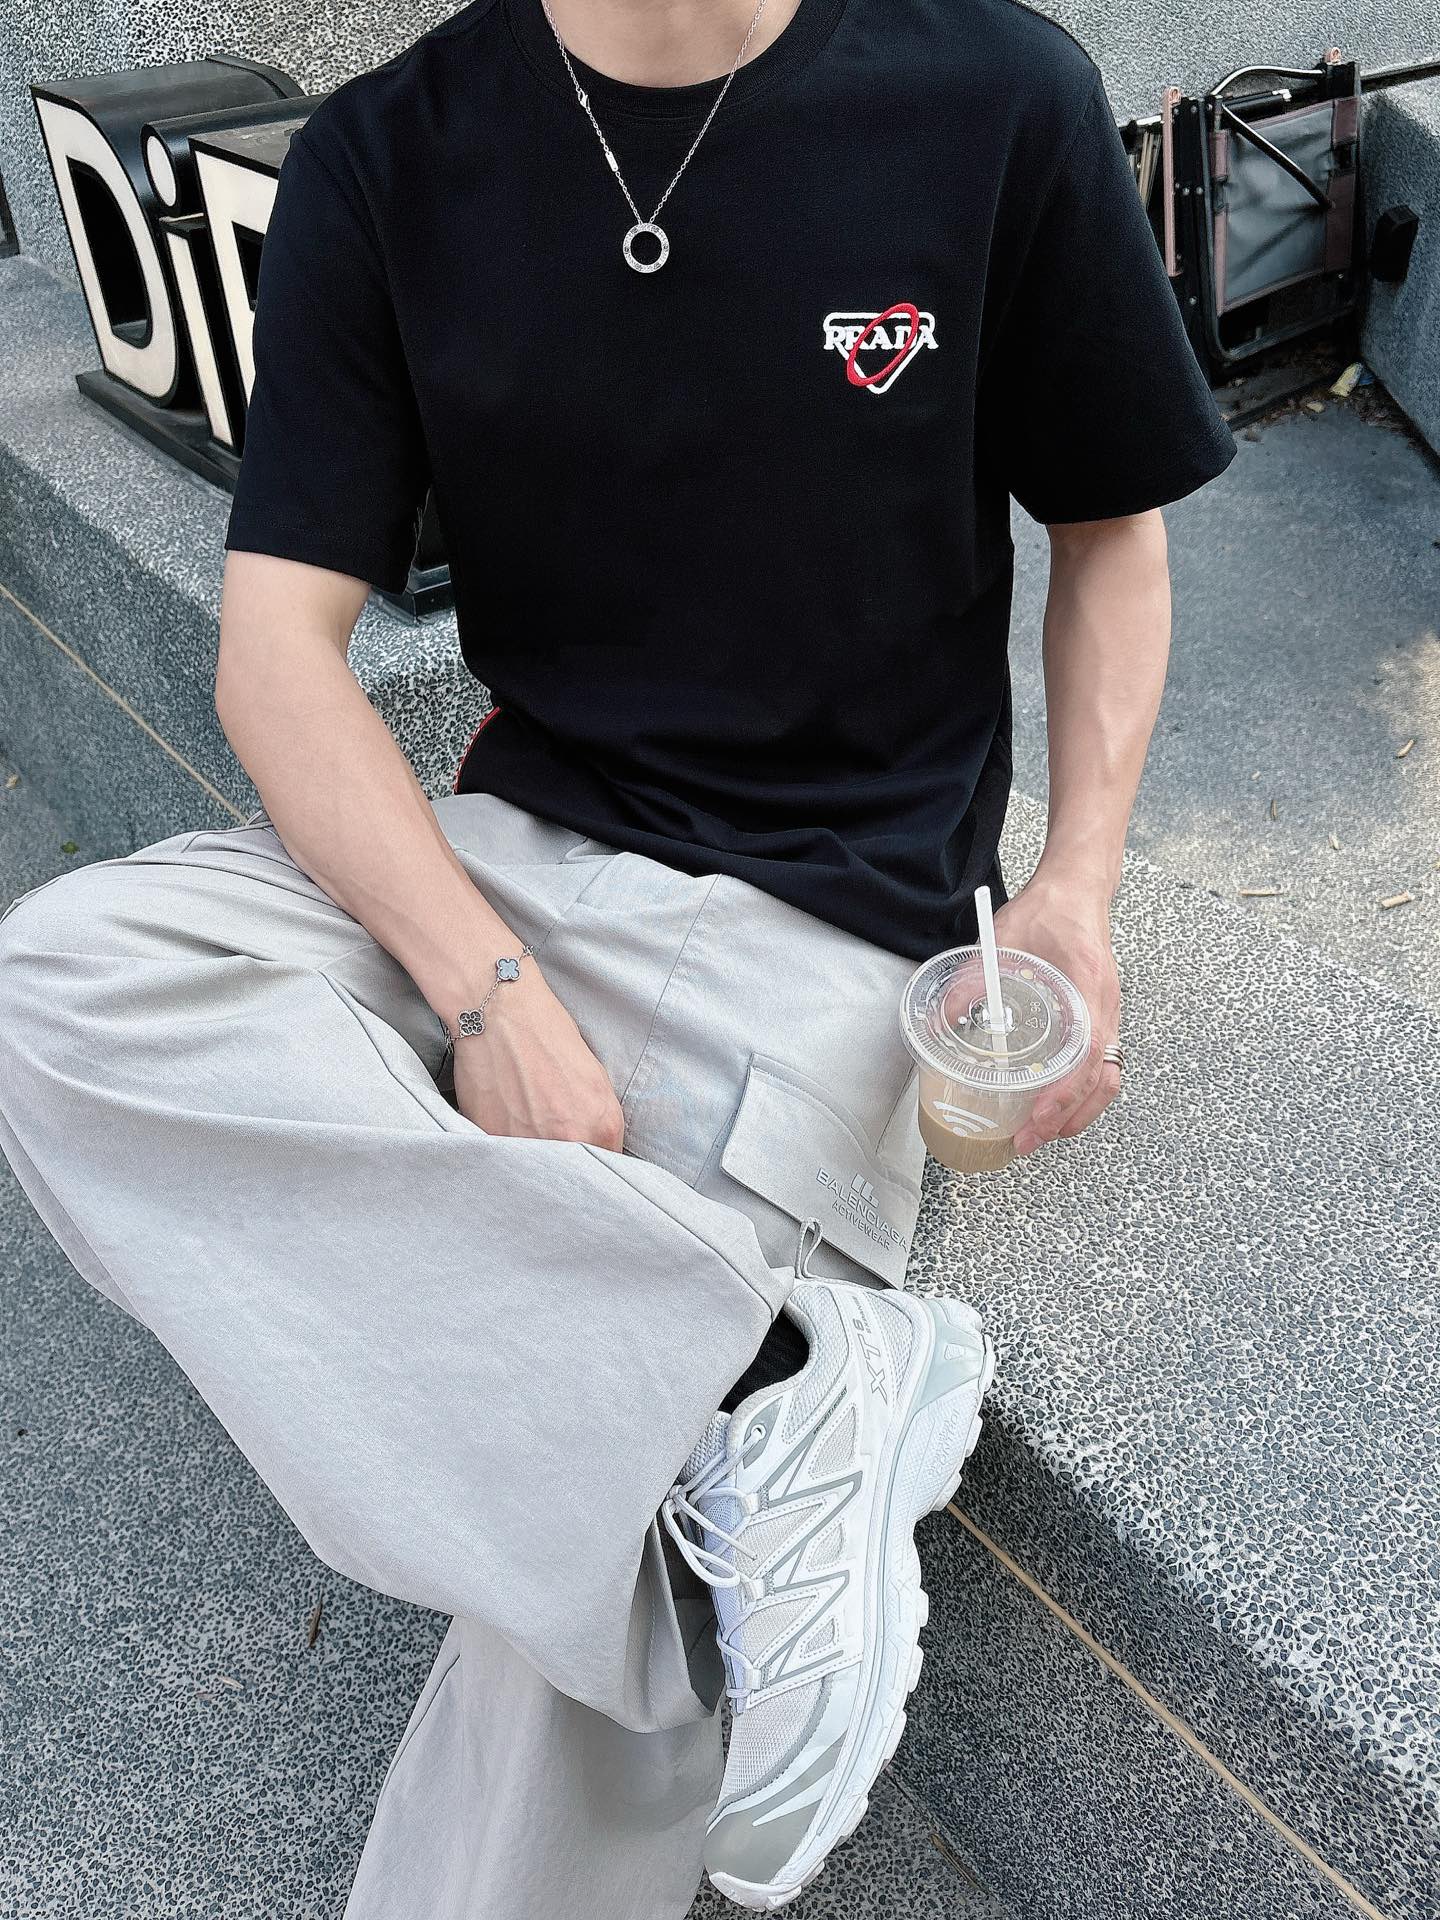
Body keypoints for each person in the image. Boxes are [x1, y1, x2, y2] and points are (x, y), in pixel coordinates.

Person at [0, 0, 1236, 1913]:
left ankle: (705, 1428)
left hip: (827, 927)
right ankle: (768, 1380)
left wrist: (1076, 888)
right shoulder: (385, 157)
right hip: (495, 864)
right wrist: (484, 990)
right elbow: (272, 659)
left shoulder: (994, 94)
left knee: (574, 1633)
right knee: (68, 982)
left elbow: (1110, 532)